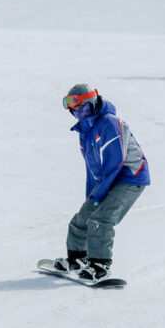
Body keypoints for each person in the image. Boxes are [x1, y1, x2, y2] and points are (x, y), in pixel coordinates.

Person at [54, 84, 150, 281]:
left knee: (101, 218)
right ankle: (78, 259)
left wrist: (100, 196)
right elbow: (92, 170)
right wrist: (91, 197)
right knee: (83, 217)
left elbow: (115, 162)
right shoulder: (85, 131)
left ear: (91, 103)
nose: (76, 112)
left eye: (80, 107)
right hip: (109, 179)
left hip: (129, 177)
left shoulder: (109, 123)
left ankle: (100, 264)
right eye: (73, 109)